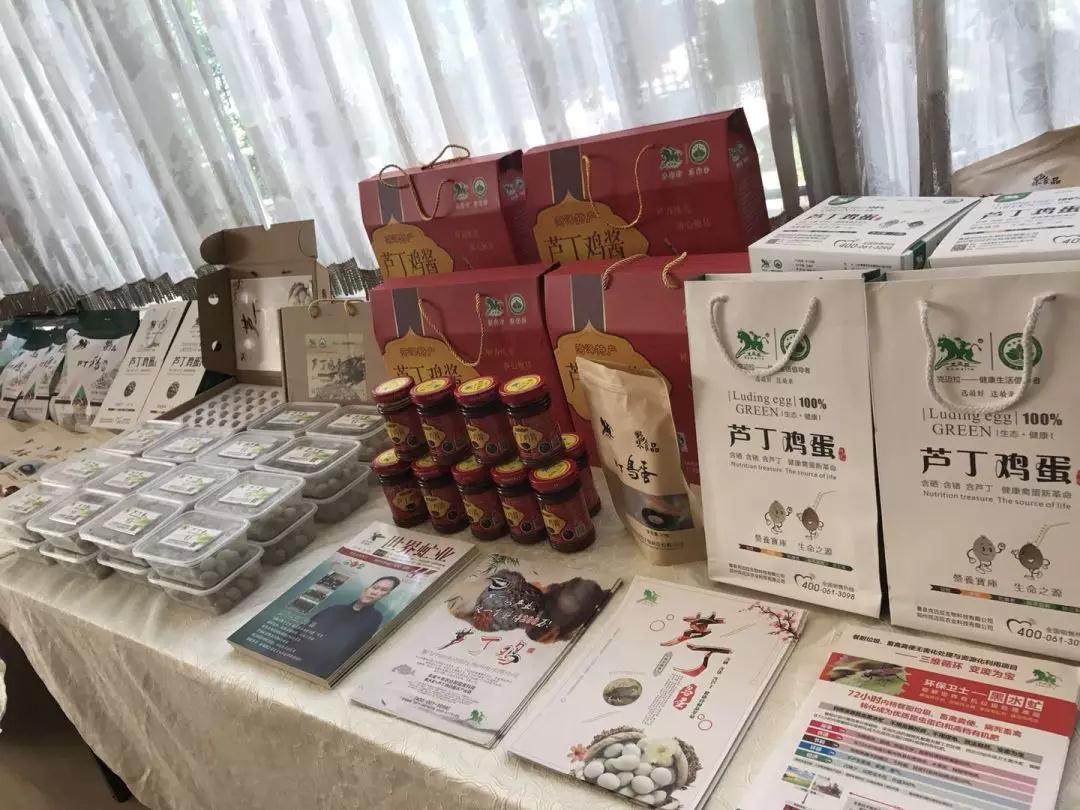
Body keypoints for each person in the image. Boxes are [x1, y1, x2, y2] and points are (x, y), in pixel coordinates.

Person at [289, 575, 401, 679]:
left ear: (386, 595)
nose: (375, 592)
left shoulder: (375, 618)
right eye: (375, 587)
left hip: (318, 671)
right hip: (292, 658)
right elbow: (301, 631)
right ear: (367, 588)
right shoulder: (334, 608)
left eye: (383, 590)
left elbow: (353, 650)